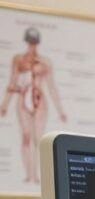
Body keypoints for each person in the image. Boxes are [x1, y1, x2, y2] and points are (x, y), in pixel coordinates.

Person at [0, 27, 67, 184]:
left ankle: (36, 176)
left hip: (39, 100)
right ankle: (29, 174)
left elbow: (51, 87)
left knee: (38, 139)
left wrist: (60, 111)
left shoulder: (45, 63)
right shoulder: (18, 60)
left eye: (34, 43)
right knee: (26, 137)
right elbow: (13, 81)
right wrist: (4, 105)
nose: (32, 46)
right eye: (30, 43)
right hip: (23, 100)